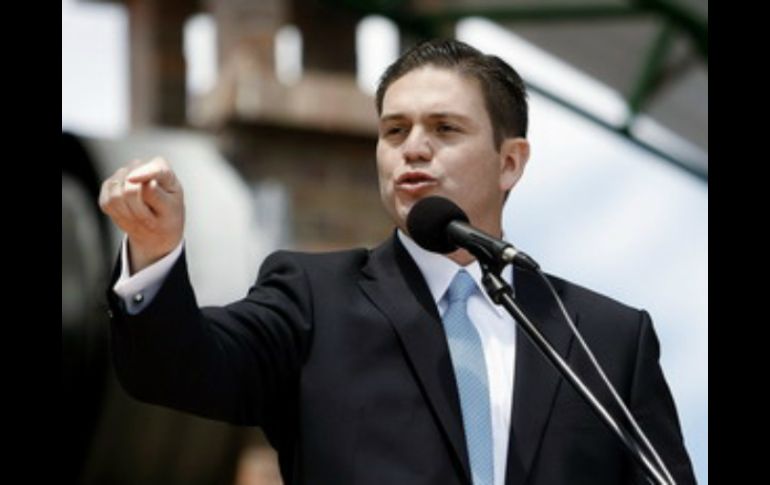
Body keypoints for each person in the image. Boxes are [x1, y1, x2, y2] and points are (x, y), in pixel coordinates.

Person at [99, 39, 696, 485]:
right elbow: (178, 368)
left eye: (444, 128)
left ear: (510, 162)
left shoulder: (606, 339)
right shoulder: (313, 298)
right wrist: (154, 252)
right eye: (394, 130)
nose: (413, 147)